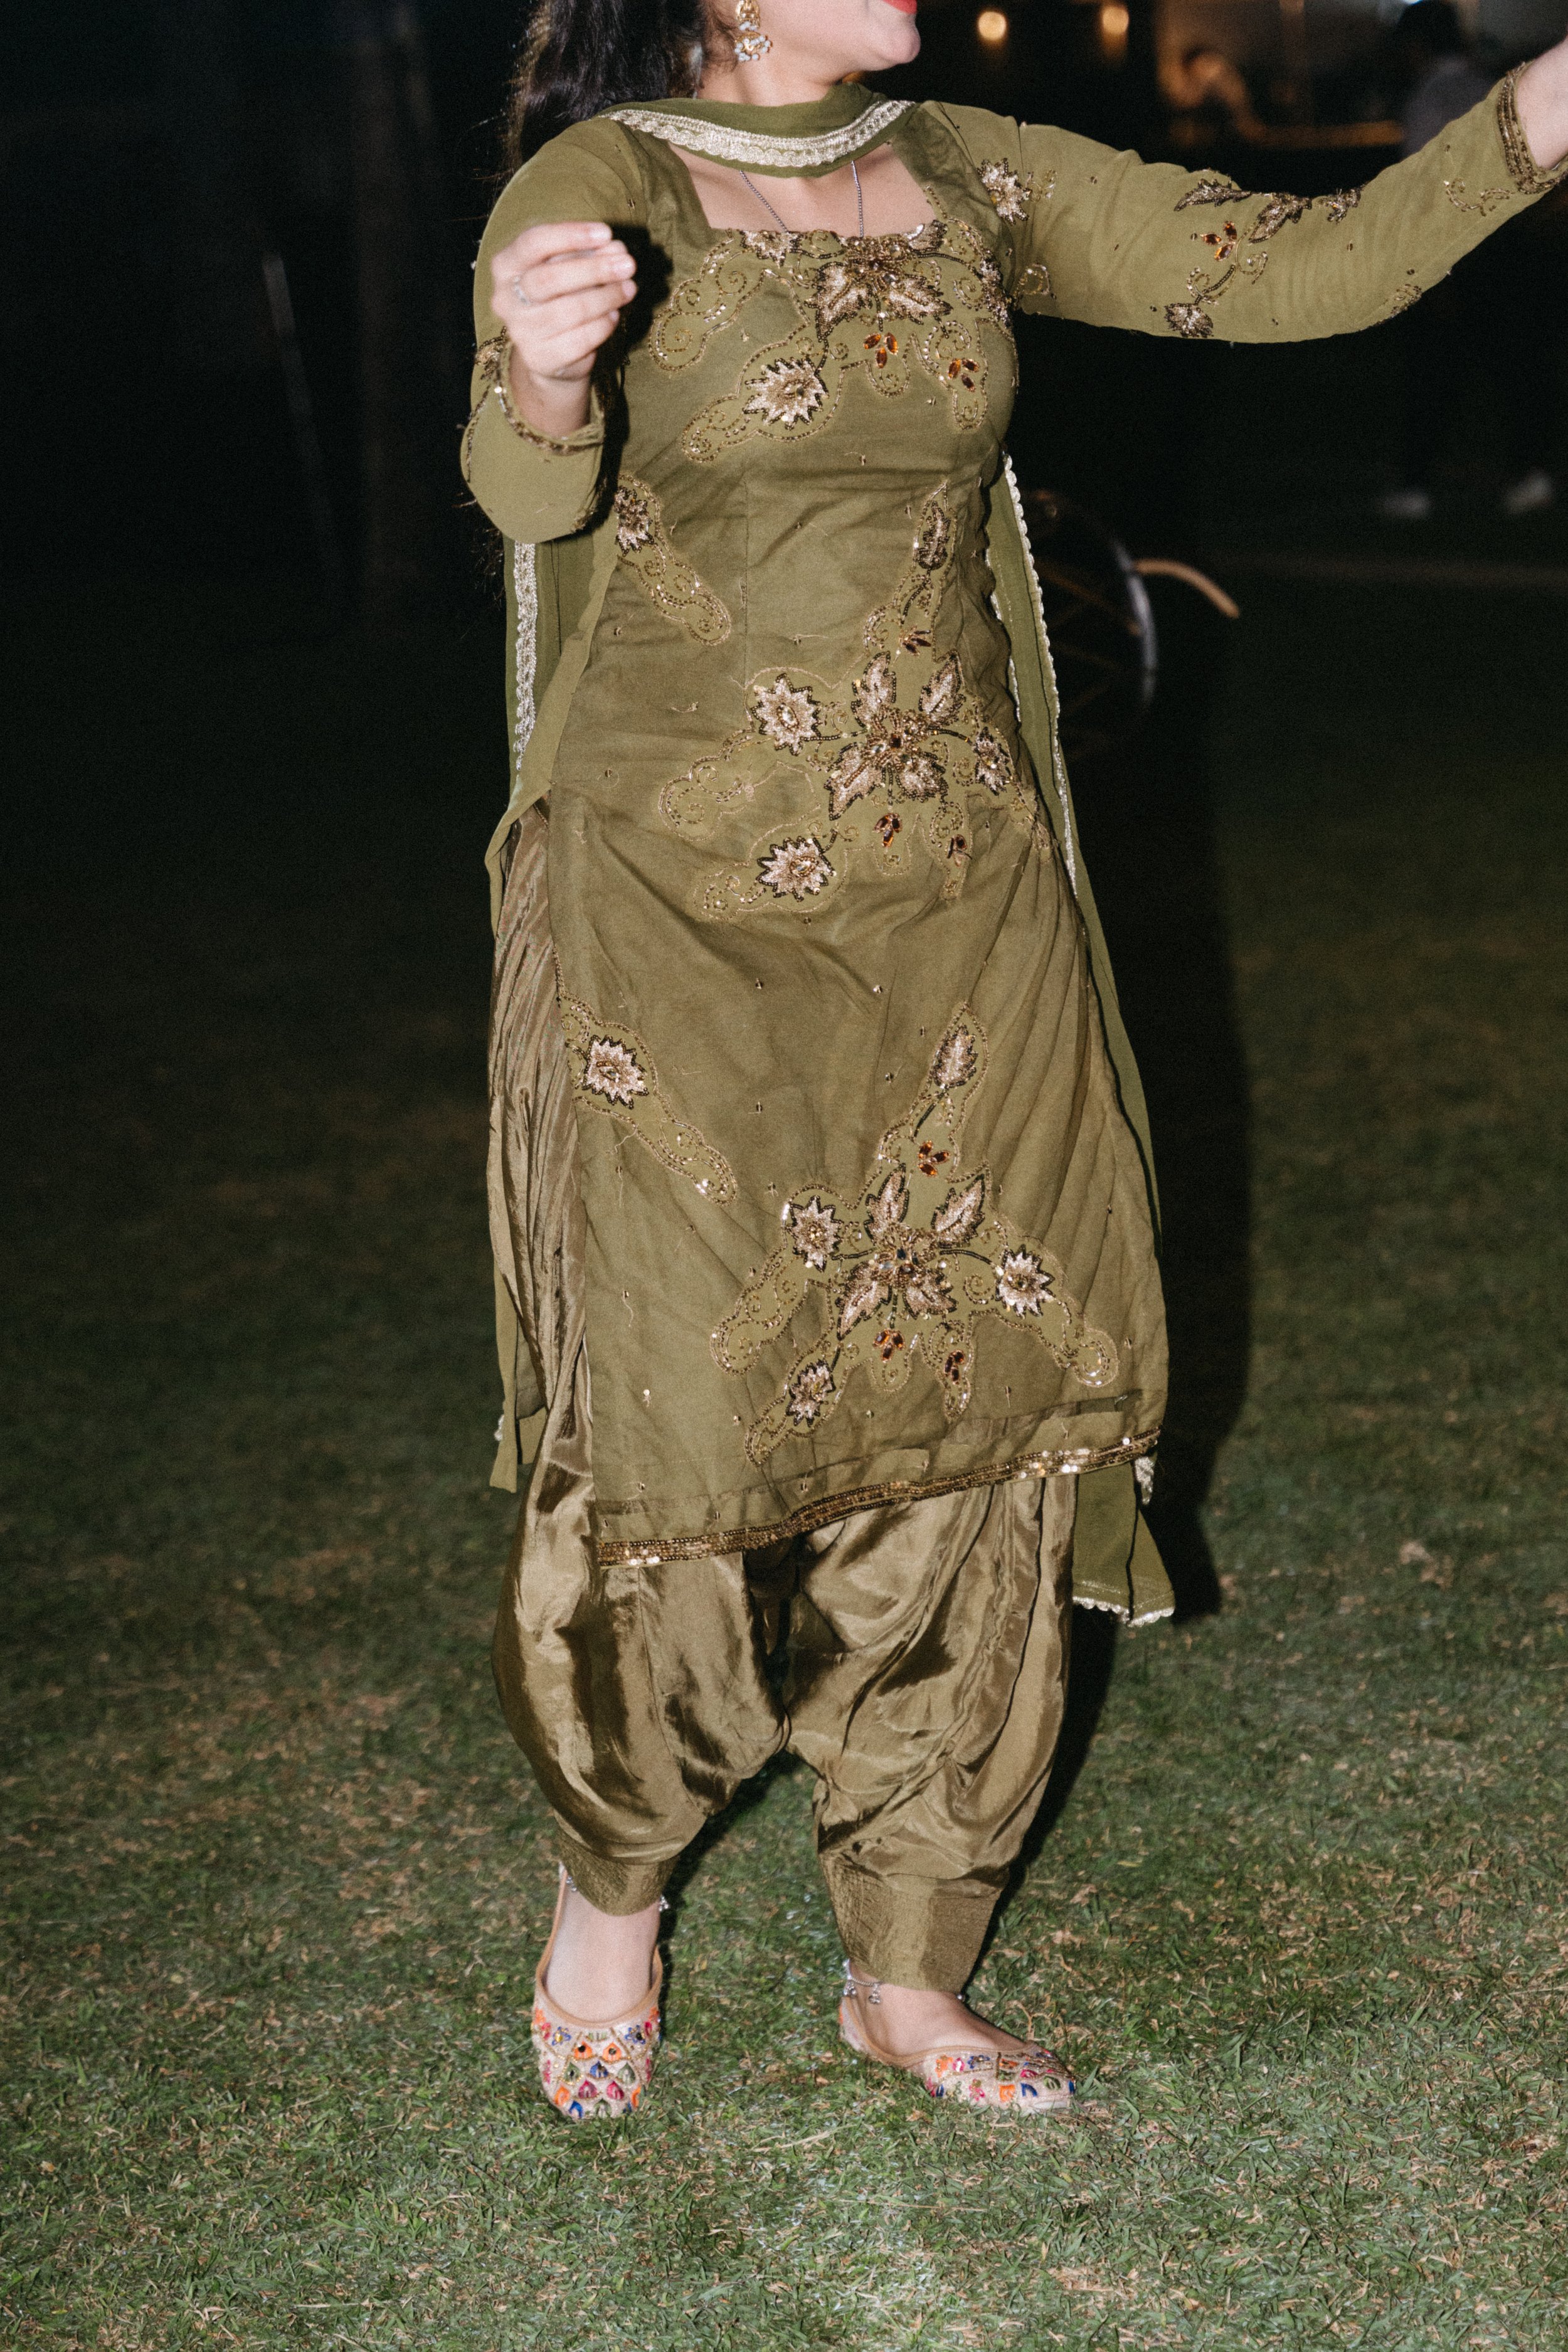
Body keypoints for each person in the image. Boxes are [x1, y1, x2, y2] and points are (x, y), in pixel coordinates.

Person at [462, 0, 1568, 2122]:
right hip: (677, 925)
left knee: (982, 1406)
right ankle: (618, 1869)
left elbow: (1300, 265)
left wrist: (1541, 107)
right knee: (680, 1426)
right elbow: (524, 492)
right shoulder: (599, 186)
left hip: (960, 899)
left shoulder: (968, 163)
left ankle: (908, 1957)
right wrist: (541, 362)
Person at [1380, 0, 1559, 520]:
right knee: (1516, 369)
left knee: (1432, 372)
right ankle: (1530, 474)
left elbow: (1417, 191)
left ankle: (1416, 485)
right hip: (1511, 245)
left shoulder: (1429, 97)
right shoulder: (1496, 87)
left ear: (1417, 46)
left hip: (1456, 250)